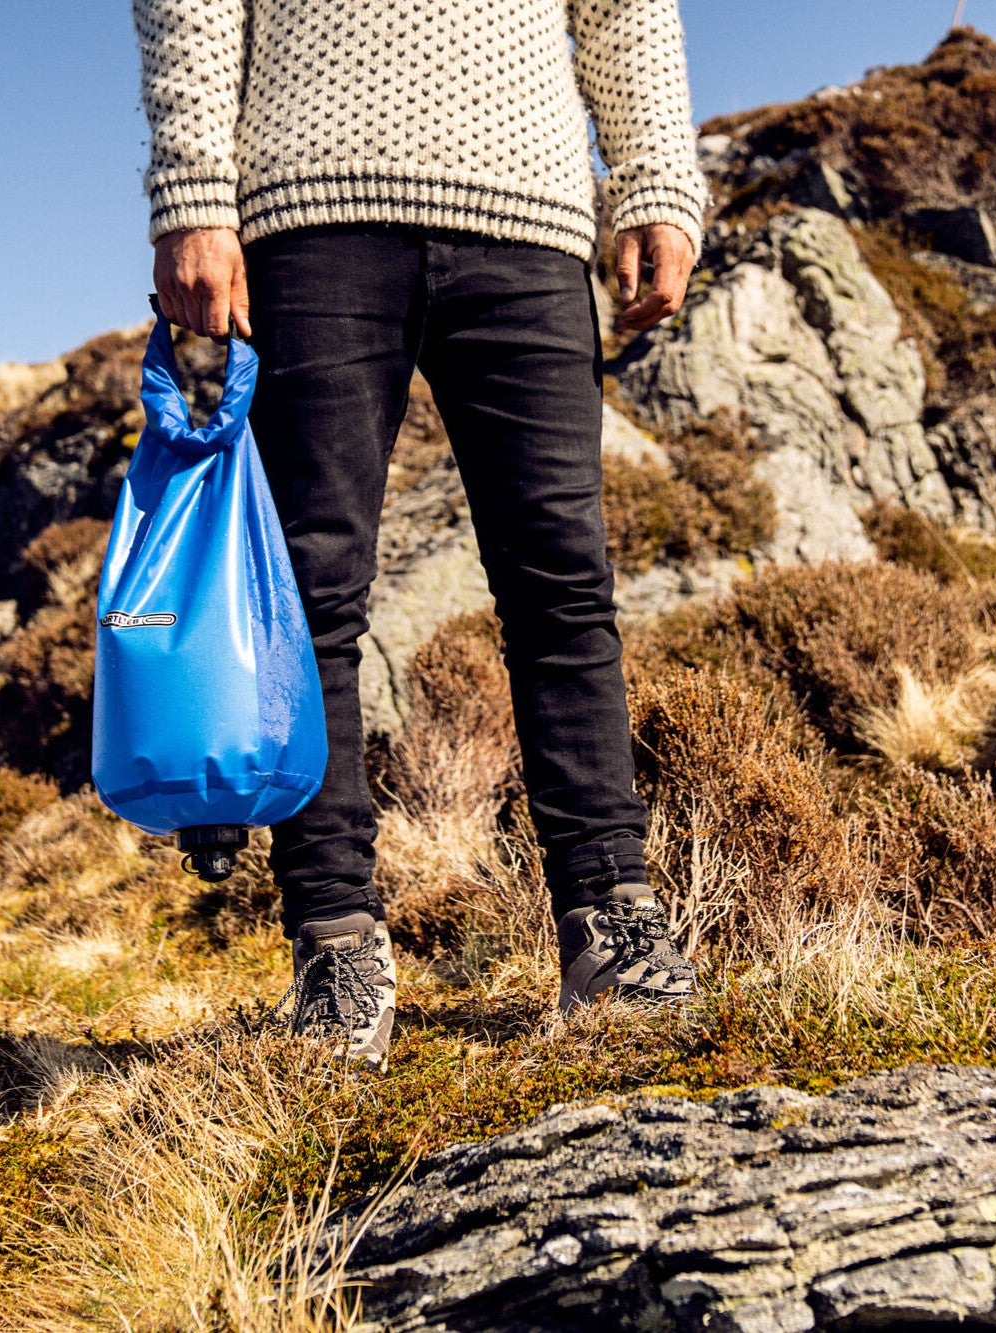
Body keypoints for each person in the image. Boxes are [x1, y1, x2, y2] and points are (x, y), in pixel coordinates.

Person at [133, 0, 710, 1068]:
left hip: (530, 217)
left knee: (563, 585)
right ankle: (335, 939)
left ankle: (611, 920)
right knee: (309, 596)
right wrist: (192, 194)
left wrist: (657, 183)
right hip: (308, 213)